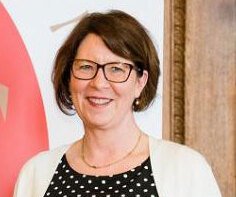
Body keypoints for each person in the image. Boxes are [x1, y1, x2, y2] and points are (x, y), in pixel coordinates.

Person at [14, 10, 222, 197]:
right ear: (69, 77)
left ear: (140, 82)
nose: (99, 83)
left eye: (116, 69)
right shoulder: (36, 173)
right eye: (86, 67)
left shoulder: (186, 169)